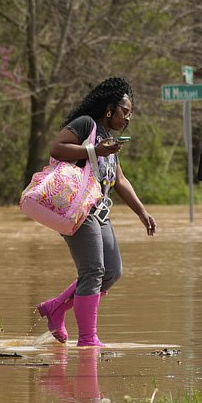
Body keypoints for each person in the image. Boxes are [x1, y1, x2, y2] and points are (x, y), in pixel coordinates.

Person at [36, 77, 157, 346]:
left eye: (130, 113)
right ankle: (88, 339)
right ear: (109, 109)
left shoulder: (110, 140)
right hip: (78, 209)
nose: (128, 118)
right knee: (93, 271)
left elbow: (120, 180)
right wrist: (94, 150)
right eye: (125, 111)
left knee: (112, 271)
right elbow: (56, 148)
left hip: (100, 211)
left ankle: (57, 307)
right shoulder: (86, 126)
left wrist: (141, 212)